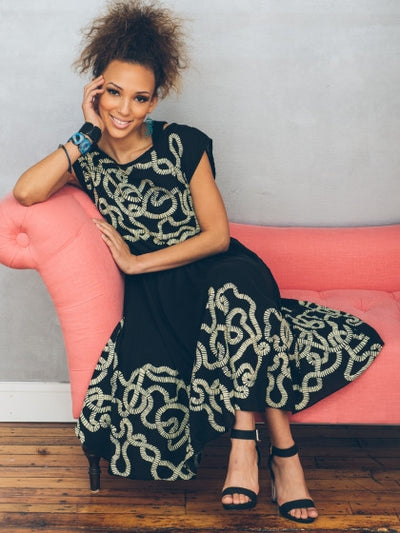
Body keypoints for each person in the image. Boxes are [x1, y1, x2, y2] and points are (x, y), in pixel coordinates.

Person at [13, 0, 383, 524]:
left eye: (140, 97)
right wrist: (84, 132)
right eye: (114, 92)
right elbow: (26, 193)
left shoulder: (182, 143)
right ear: (96, 90)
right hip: (163, 291)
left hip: (219, 266)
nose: (124, 109)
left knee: (235, 298)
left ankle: (245, 447)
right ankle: (285, 455)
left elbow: (217, 236)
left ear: (155, 99)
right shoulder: (88, 157)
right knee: (247, 325)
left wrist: (137, 263)